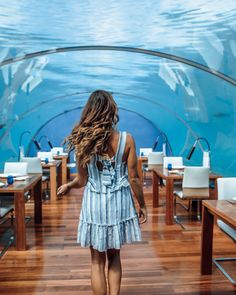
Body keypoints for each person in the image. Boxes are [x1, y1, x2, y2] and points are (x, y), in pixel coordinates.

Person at [57, 90, 147, 295]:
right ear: (111, 110)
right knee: (114, 256)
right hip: (119, 202)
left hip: (94, 203)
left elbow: (82, 180)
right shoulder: (127, 139)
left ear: (89, 111)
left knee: (97, 260)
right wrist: (142, 204)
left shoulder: (82, 142)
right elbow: (134, 178)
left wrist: (70, 185)